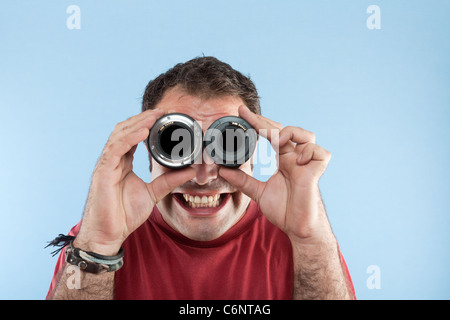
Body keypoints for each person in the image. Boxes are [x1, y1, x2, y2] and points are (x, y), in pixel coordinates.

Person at [46, 56, 355, 300]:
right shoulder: (98, 237)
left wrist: (310, 240)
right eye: (177, 143)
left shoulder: (302, 238)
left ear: (254, 149)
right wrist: (98, 243)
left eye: (229, 144)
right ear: (147, 149)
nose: (204, 174)